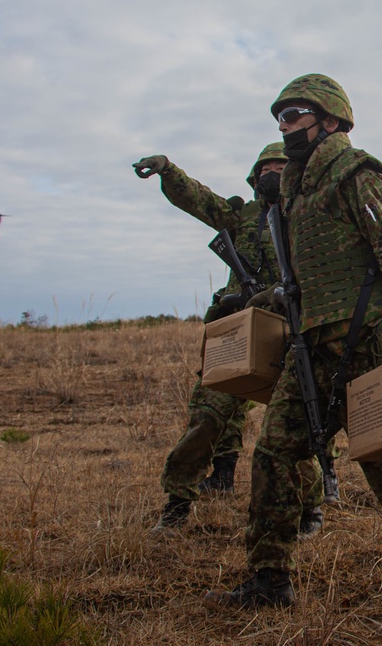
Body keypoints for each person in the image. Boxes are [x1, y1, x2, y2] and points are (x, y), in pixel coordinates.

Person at [202, 74, 382, 608]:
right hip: (311, 347)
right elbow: (303, 279)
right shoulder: (293, 191)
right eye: (280, 118)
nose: (284, 126)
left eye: (294, 115)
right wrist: (255, 303)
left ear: (331, 119)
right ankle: (269, 580)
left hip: (370, 342)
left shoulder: (356, 173)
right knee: (274, 451)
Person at [133, 144, 326, 537]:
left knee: (291, 424)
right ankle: (177, 503)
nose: (273, 172)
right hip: (237, 330)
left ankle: (311, 505)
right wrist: (169, 170)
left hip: (287, 332)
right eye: (266, 167)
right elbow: (198, 200)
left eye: (281, 166)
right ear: (254, 178)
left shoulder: (306, 215)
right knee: (206, 416)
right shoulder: (243, 216)